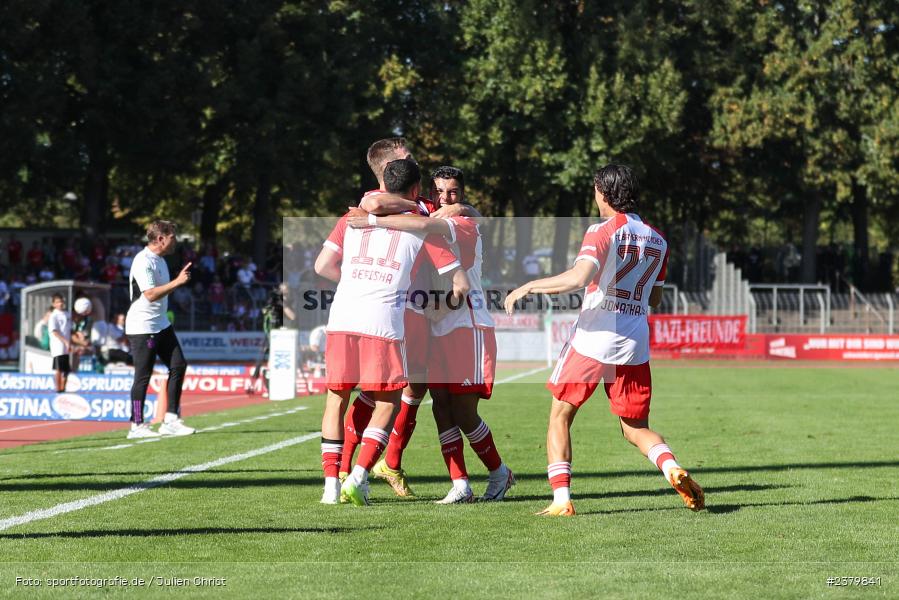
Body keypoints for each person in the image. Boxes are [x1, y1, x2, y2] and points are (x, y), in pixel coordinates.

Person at [505, 164, 705, 517]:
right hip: (634, 342)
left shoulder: (602, 230)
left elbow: (580, 276)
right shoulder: (659, 239)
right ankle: (671, 467)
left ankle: (561, 500)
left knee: (560, 416)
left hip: (593, 339)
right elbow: (655, 299)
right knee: (634, 428)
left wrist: (530, 285)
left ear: (603, 192)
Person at [349, 165, 514, 504]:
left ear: (463, 194)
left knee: (464, 413)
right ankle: (460, 484)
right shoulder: (436, 213)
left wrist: (373, 222)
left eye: (453, 192)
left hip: (467, 324)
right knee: (440, 407)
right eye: (439, 191)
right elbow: (380, 201)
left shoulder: (460, 223)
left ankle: (499, 472)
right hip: (439, 323)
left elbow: (424, 222)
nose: (445, 198)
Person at [314, 158, 470, 506]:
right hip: (382, 320)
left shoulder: (351, 218)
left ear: (382, 184)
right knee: (389, 402)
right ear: (417, 190)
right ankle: (358, 476)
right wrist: (444, 306)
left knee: (336, 400)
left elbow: (322, 266)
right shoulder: (421, 226)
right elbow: (460, 283)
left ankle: (330, 489)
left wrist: (356, 283)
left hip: (342, 315)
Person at [125, 220, 194, 439]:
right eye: (173, 237)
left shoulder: (161, 261)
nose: (176, 241)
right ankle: (136, 424)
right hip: (143, 327)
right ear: (161, 238)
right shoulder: (143, 261)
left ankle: (171, 420)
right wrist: (177, 282)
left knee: (178, 365)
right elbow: (150, 294)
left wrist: (175, 283)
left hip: (161, 324)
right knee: (143, 376)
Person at [48, 294, 71, 393]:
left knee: (66, 369)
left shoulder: (67, 314)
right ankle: (58, 389)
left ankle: (63, 388)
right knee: (58, 368)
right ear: (54, 304)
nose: (60, 303)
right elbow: (54, 331)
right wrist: (65, 341)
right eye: (57, 302)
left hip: (67, 345)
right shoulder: (54, 316)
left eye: (61, 301)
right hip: (58, 345)